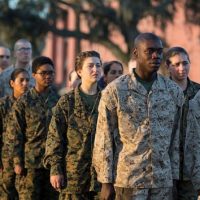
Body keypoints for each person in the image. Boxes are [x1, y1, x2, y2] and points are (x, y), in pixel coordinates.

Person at [93, 32, 184, 200]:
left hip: (162, 181)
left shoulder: (173, 91)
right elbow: (103, 138)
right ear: (136, 53)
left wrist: (174, 179)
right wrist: (105, 182)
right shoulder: (115, 91)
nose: (155, 56)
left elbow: (175, 139)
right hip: (129, 180)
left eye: (159, 51)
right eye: (149, 51)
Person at [44, 50, 102, 199]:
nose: (95, 69)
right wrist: (55, 170)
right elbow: (55, 137)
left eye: (98, 65)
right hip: (73, 177)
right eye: (90, 66)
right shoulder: (67, 101)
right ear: (79, 71)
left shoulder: (108, 99)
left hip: (102, 178)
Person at [6, 56, 59, 200]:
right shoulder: (24, 102)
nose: (48, 76)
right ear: (34, 75)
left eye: (51, 73)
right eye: (43, 73)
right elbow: (15, 134)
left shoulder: (59, 100)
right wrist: (17, 162)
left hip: (52, 164)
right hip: (30, 166)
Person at [165, 47, 200, 200]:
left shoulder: (198, 92)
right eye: (177, 64)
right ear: (168, 67)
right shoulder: (160, 91)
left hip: (191, 167)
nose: (182, 68)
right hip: (165, 168)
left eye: (185, 63)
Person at [0, 68, 29, 200]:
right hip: (6, 160)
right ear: (12, 83)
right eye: (21, 80)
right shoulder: (3, 104)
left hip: (28, 159)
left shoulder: (32, 104)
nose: (25, 83)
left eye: (27, 80)